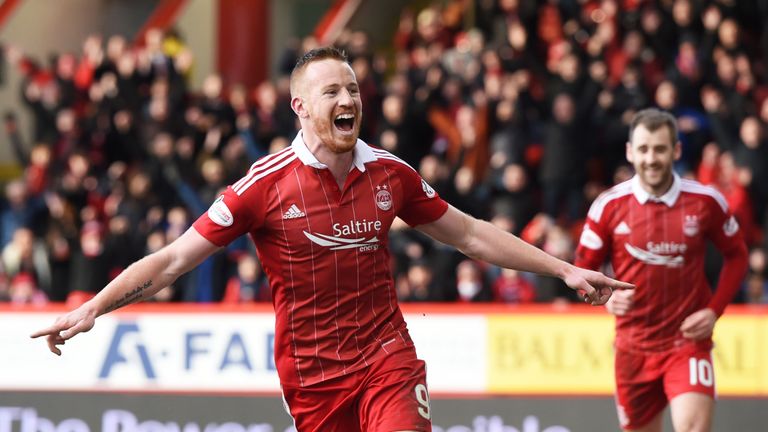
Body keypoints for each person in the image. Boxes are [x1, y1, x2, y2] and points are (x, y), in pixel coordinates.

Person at [32, 47, 632, 432]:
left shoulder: (391, 175)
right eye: (332, 92)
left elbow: (470, 234)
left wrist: (565, 270)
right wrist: (92, 306)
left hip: (385, 359)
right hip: (312, 382)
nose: (348, 100)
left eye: (354, 90)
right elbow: (171, 261)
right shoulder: (262, 187)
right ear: (300, 107)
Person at [574, 108, 748, 432]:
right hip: (632, 347)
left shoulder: (705, 201)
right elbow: (582, 268)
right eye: (643, 149)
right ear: (630, 152)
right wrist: (606, 299)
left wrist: (714, 311)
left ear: (676, 150)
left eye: (659, 148)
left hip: (687, 342)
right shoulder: (608, 206)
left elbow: (737, 256)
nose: (651, 158)